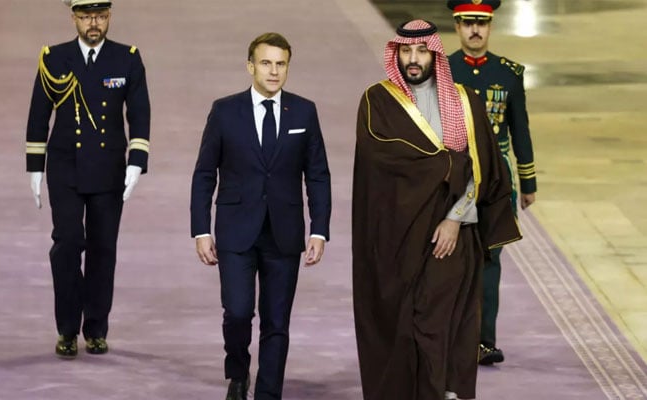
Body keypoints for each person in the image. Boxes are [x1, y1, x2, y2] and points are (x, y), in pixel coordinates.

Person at [352, 19, 521, 400]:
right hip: (400, 238)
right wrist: (448, 163)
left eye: (421, 51)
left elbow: (482, 168)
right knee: (403, 327)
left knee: (439, 326)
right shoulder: (377, 101)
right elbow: (386, 160)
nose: (413, 60)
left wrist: (453, 218)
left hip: (453, 236)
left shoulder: (464, 101)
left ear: (434, 54)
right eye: (406, 52)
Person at [190, 32, 331, 400]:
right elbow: (205, 172)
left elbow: (317, 174)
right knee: (237, 312)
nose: (273, 71)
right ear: (250, 66)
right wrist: (200, 230)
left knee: (277, 322)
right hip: (236, 230)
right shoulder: (224, 111)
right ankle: (238, 373)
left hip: (284, 232)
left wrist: (320, 231)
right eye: (266, 63)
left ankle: (269, 393)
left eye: (280, 64)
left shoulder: (304, 111)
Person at [25, 0, 150, 358]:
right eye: (86, 17)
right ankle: (67, 327)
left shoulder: (126, 58)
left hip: (109, 168)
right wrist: (35, 167)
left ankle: (95, 327)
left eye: (100, 16)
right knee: (66, 244)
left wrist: (136, 161)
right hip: (64, 166)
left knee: (102, 250)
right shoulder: (54, 58)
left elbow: (140, 112)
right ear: (74, 18)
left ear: (109, 16)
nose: (93, 23)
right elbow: (39, 114)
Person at [447, 0, 537, 366]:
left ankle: (484, 341)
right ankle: (451, 337)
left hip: (497, 183)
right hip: (453, 179)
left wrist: (528, 181)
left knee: (489, 259)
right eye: (468, 22)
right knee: (449, 259)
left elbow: (520, 128)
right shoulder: (444, 71)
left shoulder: (509, 73)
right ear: (456, 26)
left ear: (491, 26)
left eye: (481, 23)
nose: (475, 30)